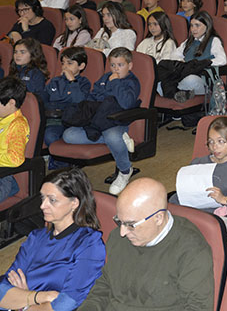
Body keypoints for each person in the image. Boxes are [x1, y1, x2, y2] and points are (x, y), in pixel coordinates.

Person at [80, 178, 213, 310]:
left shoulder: (191, 249)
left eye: (131, 224)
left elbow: (198, 307)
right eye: (119, 221)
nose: (122, 232)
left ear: (158, 218)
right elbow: (105, 285)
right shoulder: (118, 237)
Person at [0, 168, 105, 311]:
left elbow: (67, 303)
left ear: (74, 203)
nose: (43, 205)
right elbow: (4, 287)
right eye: (43, 198)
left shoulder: (89, 243)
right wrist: (40, 297)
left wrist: (24, 304)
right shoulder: (36, 237)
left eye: (52, 200)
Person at [62, 47, 140, 195]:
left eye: (120, 65)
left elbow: (126, 103)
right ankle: (118, 142)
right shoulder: (105, 78)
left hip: (116, 121)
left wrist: (116, 83)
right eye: (112, 65)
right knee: (69, 135)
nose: (115, 69)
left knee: (112, 136)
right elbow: (92, 97)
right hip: (97, 119)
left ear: (130, 66)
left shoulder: (131, 82)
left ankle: (125, 170)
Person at [170, 117, 227, 212]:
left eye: (220, 141)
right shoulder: (198, 163)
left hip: (218, 217)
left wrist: (224, 199)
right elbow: (182, 197)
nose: (214, 147)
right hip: (192, 212)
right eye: (211, 141)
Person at [163, 12, 227, 102]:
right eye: (192, 26)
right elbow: (174, 55)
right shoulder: (189, 41)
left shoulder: (214, 40)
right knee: (160, 81)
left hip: (202, 79)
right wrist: (182, 62)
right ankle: (181, 94)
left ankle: (178, 92)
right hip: (184, 75)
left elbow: (222, 60)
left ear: (207, 26)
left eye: (197, 25)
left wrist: (200, 64)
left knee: (190, 80)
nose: (193, 29)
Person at [43, 47, 91, 148]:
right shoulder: (55, 81)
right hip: (50, 117)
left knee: (50, 135)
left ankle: (59, 162)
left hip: (69, 120)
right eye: (63, 63)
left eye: (69, 63)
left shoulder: (83, 83)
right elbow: (44, 98)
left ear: (81, 66)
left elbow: (80, 101)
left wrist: (72, 81)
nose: (65, 67)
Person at [0, 77, 28, 203]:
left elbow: (15, 159)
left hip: (4, 178)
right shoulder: (2, 117)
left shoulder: (18, 125)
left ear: (11, 103)